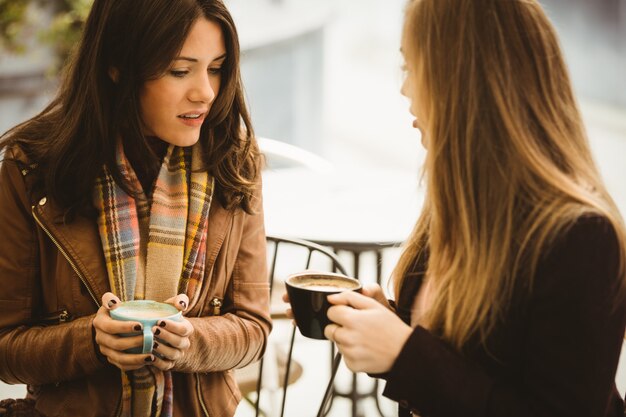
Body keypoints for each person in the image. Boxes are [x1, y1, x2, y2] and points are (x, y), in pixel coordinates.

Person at [285, 0, 626, 416]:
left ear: (463, 81)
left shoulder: (582, 238)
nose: (404, 89)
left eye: (412, 67)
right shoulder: (462, 205)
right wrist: (387, 324)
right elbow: (473, 361)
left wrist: (405, 354)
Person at [0, 0, 271, 416]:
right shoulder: (33, 169)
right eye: (180, 70)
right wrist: (90, 341)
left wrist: (189, 343)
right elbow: (6, 348)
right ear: (117, 67)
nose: (206, 92)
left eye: (215, 68)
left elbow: (254, 329)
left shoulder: (232, 161)